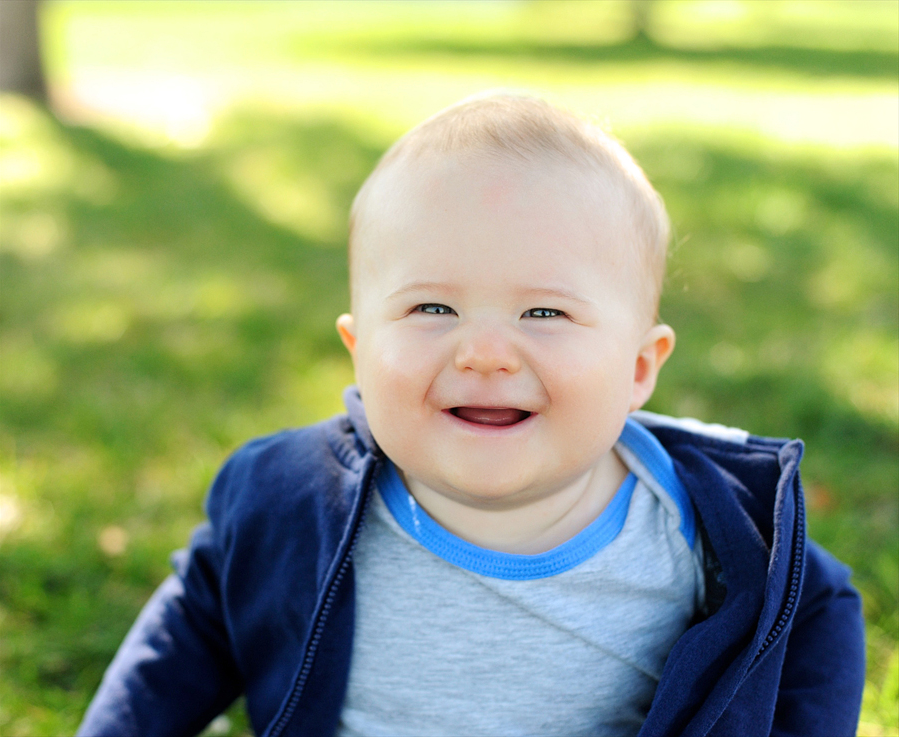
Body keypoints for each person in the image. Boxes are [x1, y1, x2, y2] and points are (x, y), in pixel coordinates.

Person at [78, 93, 865, 737]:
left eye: (546, 313)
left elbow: (816, 614)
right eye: (431, 305)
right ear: (359, 348)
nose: (485, 352)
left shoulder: (707, 529)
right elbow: (194, 627)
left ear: (637, 368)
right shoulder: (286, 499)